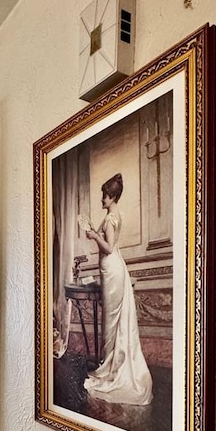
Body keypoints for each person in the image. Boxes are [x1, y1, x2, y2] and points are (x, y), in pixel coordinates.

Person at [84, 173, 153, 405]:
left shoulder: (112, 218)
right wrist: (96, 230)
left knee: (111, 322)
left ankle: (112, 370)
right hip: (111, 270)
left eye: (104, 196)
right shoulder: (114, 215)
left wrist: (94, 236)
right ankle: (109, 364)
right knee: (110, 321)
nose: (101, 199)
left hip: (112, 269)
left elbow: (110, 248)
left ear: (112, 197)